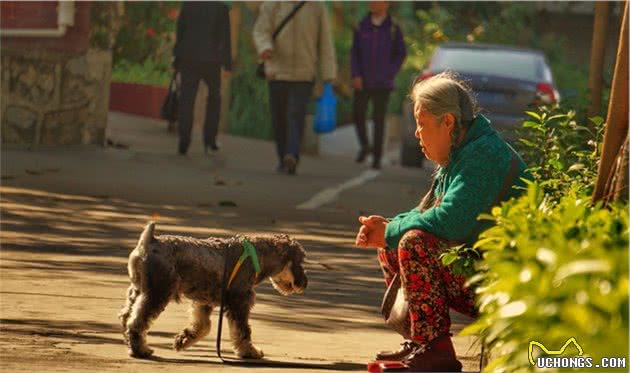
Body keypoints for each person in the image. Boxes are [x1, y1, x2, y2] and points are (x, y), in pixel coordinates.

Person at [355, 72, 530, 372]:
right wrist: (388, 227)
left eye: (422, 125)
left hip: (508, 282)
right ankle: (420, 342)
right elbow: (428, 211)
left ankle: (436, 350)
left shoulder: (484, 156)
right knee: (395, 243)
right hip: (480, 267)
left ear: (447, 122)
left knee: (412, 243)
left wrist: (392, 231)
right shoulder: (464, 150)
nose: (416, 133)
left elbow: (450, 221)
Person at [253, 2, 336, 175]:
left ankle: (292, 155)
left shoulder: (316, 7)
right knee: (279, 117)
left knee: (295, 114)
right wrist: (265, 47)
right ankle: (282, 156)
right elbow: (261, 30)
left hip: (304, 73)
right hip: (277, 71)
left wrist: (329, 74)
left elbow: (325, 42)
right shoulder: (273, 4)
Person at [350, 1, 406, 169]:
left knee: (378, 119)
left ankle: (376, 157)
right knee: (358, 114)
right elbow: (355, 53)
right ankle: (365, 146)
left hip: (383, 83)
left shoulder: (393, 28)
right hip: (363, 81)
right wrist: (356, 75)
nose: (372, 3)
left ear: (386, 4)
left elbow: (400, 53)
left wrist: (390, 72)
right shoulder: (362, 26)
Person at [173, 1, 232, 156]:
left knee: (187, 99)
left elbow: (180, 31)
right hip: (211, 60)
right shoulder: (220, 7)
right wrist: (227, 64)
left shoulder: (188, 5)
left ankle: (184, 140)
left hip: (189, 58)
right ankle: (210, 139)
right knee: (214, 98)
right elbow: (225, 36)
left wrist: (176, 58)